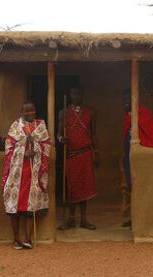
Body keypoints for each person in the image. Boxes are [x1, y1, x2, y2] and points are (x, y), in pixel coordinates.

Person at [2, 102, 52, 250]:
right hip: (17, 173)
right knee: (15, 208)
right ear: (21, 112)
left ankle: (28, 239)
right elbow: (8, 146)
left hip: (33, 172)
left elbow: (47, 144)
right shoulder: (15, 127)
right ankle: (16, 239)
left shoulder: (40, 126)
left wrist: (35, 148)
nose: (30, 113)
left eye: (32, 110)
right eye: (26, 111)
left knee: (31, 208)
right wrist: (23, 152)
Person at [57, 84, 98, 230]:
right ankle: (70, 220)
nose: (77, 96)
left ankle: (84, 220)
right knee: (72, 187)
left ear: (83, 95)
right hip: (72, 155)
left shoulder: (90, 113)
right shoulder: (64, 113)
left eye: (79, 93)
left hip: (86, 153)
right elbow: (59, 134)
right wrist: (62, 139)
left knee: (85, 188)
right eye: (74, 93)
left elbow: (93, 134)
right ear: (70, 95)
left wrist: (96, 152)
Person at [122, 89, 153, 227]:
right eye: (124, 98)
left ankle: (145, 219)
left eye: (128, 98)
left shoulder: (144, 113)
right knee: (133, 186)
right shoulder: (128, 115)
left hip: (143, 156)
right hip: (129, 156)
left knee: (144, 186)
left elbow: (150, 135)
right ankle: (135, 218)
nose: (125, 101)